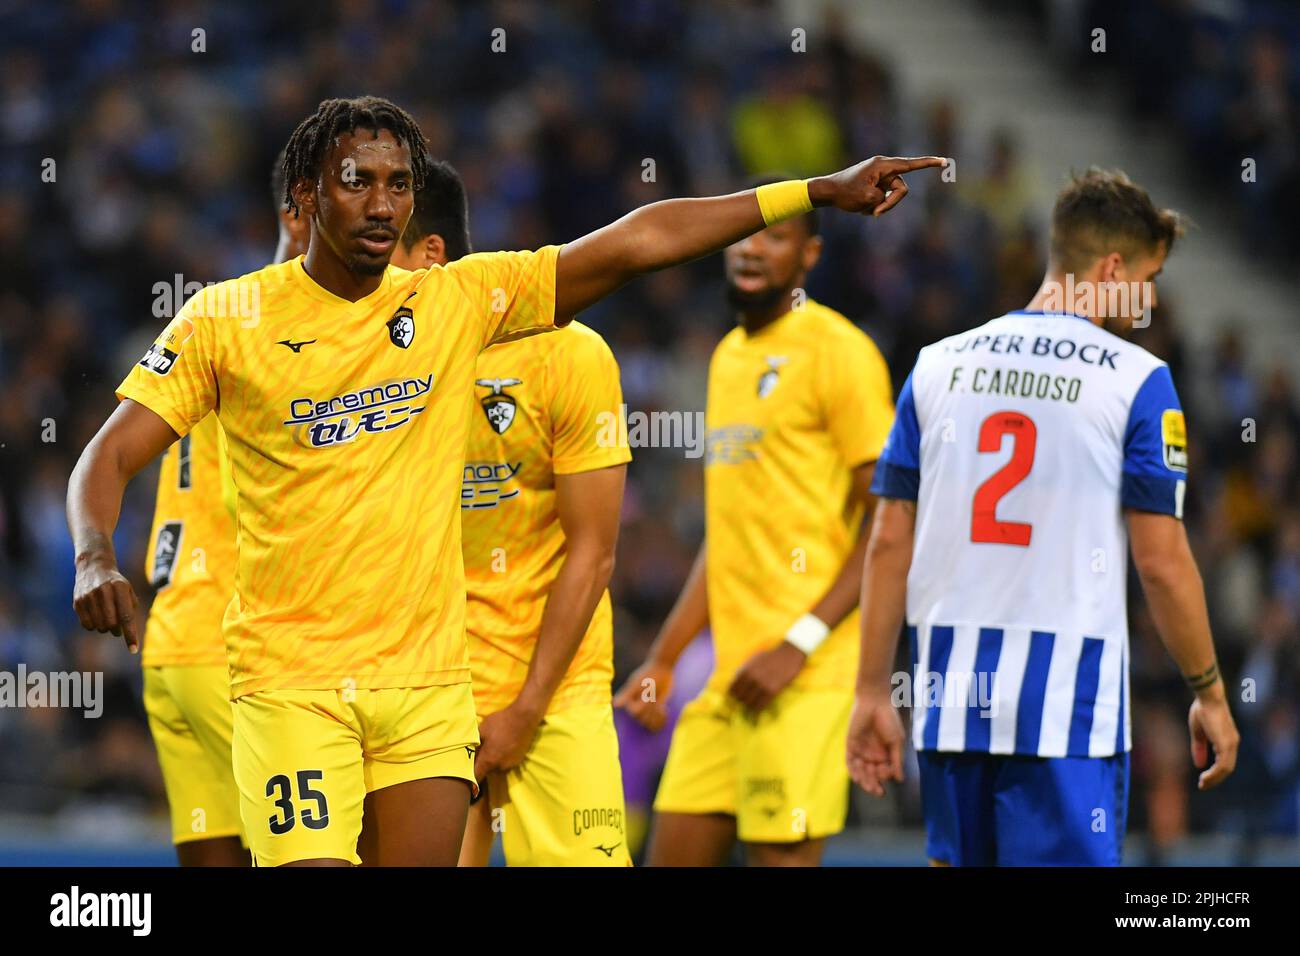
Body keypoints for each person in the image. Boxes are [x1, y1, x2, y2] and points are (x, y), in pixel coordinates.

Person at [68, 92, 945, 866]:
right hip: (288, 684)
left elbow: (638, 242)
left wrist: (813, 189)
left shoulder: (452, 303)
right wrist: (94, 556)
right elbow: (106, 456)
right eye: (356, 181)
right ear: (304, 197)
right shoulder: (228, 317)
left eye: (398, 184)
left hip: (425, 693)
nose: (382, 203)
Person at [849, 168, 1240, 866]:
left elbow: (887, 540)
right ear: (1112, 267)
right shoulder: (1138, 381)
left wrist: (873, 688)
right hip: (1067, 711)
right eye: (1146, 281)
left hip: (950, 703)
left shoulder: (936, 366)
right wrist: (1208, 689)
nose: (1148, 302)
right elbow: (1161, 559)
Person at [617, 177, 895, 866]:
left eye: (774, 236)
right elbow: (729, 533)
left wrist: (796, 643)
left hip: (804, 677)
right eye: (744, 233)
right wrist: (664, 656)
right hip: (727, 682)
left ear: (809, 256)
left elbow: (891, 523)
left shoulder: (840, 351)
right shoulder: (726, 359)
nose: (750, 248)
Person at [390, 160, 633, 866]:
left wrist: (526, 706)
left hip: (555, 693)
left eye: (385, 256)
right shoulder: (385, 363)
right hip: (429, 692)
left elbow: (595, 551)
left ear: (430, 254)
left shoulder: (572, 355)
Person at [137, 154, 310, 867]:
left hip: (174, 640)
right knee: (338, 845)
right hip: (237, 649)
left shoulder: (211, 317)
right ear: (297, 215)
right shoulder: (286, 330)